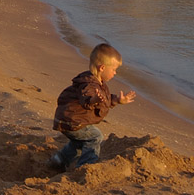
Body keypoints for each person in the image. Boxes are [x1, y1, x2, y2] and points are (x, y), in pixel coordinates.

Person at [49, 42, 137, 170]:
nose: (115, 73)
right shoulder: (90, 85)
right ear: (102, 68)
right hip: (72, 121)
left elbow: (104, 100)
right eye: (113, 69)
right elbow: (87, 98)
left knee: (80, 141)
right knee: (95, 137)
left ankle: (60, 159)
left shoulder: (93, 81)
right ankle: (86, 167)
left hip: (66, 119)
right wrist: (93, 100)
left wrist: (117, 100)